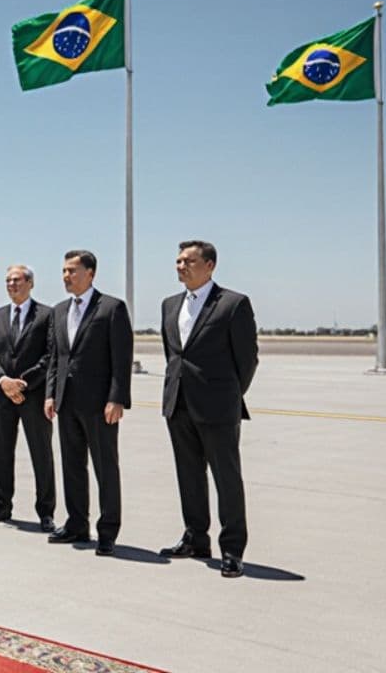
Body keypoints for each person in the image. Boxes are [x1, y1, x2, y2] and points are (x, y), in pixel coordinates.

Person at [158, 240, 258, 578]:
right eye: (177, 261)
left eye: (188, 260)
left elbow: (247, 360)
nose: (180, 266)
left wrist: (228, 395)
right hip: (178, 404)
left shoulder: (232, 304)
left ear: (210, 265)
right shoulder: (169, 305)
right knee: (189, 477)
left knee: (226, 479)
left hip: (218, 407)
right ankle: (196, 538)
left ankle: (232, 550)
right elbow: (174, 356)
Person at [44, 250, 132, 556]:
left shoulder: (111, 308)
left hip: (100, 404)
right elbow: (57, 357)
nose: (66, 276)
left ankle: (107, 531)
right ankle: (77, 523)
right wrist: (50, 393)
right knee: (72, 466)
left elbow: (121, 359)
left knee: (105, 468)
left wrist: (117, 398)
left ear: (90, 273)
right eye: (64, 271)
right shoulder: (58, 311)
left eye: (72, 271)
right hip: (66, 402)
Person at [0, 265, 56, 532]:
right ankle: (1, 505)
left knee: (41, 454)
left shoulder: (47, 315)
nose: (11, 284)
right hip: (2, 396)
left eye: (17, 280)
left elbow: (49, 356)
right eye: (8, 281)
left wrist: (22, 383)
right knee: (2, 453)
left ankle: (46, 512)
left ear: (30, 283)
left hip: (33, 396)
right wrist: (3, 381)